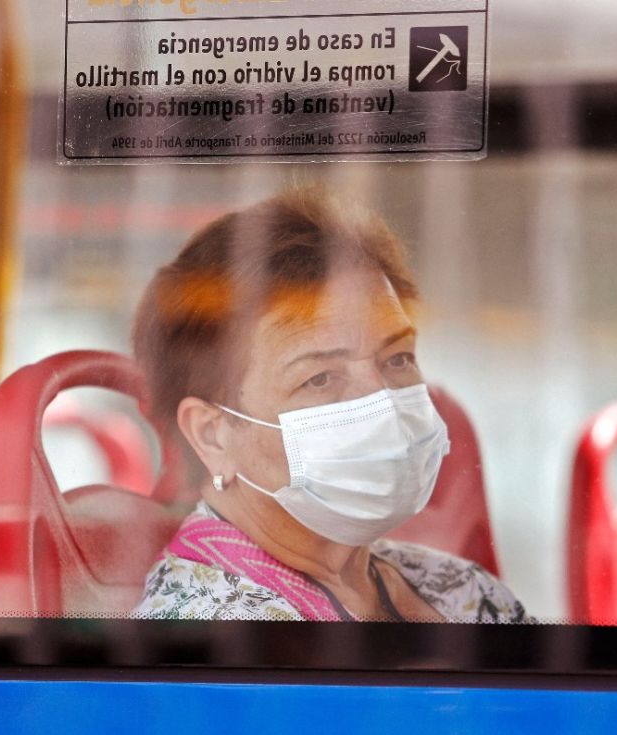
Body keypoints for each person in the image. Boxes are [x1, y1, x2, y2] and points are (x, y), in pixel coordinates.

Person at [131, 186, 527, 622]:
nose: (382, 403)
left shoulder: (459, 588)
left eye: (398, 358)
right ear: (213, 435)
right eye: (319, 378)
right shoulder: (216, 637)